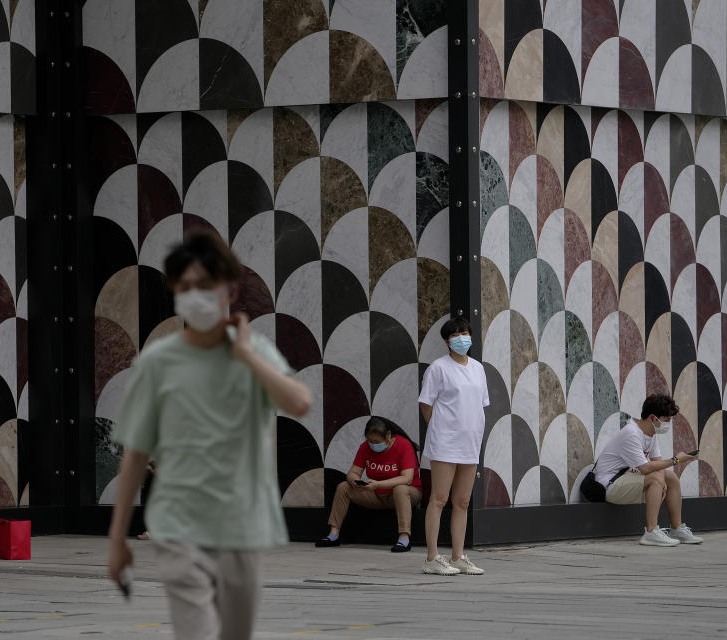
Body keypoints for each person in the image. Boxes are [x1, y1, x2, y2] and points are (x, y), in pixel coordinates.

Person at [107, 232, 312, 640]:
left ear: (228, 289)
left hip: (242, 523)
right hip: (179, 521)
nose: (195, 295)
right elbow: (135, 453)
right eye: (185, 288)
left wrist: (247, 357)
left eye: (204, 286)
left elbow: (300, 402)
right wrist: (117, 538)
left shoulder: (254, 352)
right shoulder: (158, 363)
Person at [418, 316, 489, 576]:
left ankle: (458, 556)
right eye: (455, 334)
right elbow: (426, 403)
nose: (462, 338)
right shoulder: (438, 368)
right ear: (447, 340)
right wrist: (440, 429)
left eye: (465, 332)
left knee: (462, 501)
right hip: (445, 443)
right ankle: (432, 558)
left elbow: (480, 404)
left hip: (469, 443)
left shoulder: (478, 368)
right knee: (439, 499)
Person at [589, 394, 703, 546]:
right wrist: (676, 460)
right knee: (655, 480)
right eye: (666, 419)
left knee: (671, 478)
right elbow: (645, 468)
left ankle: (677, 529)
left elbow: (658, 462)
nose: (669, 423)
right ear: (652, 418)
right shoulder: (631, 433)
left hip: (626, 478)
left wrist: (663, 481)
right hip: (608, 485)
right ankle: (651, 532)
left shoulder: (650, 434)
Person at [315, 417, 422, 552]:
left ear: (388, 436)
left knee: (400, 489)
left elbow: (407, 478)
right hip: (377, 494)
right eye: (369, 441)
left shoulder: (403, 445)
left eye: (376, 442)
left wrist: (378, 484)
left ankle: (404, 538)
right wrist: (355, 481)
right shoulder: (365, 447)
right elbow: (352, 473)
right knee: (343, 487)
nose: (372, 444)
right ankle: (333, 534)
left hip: (405, 494)